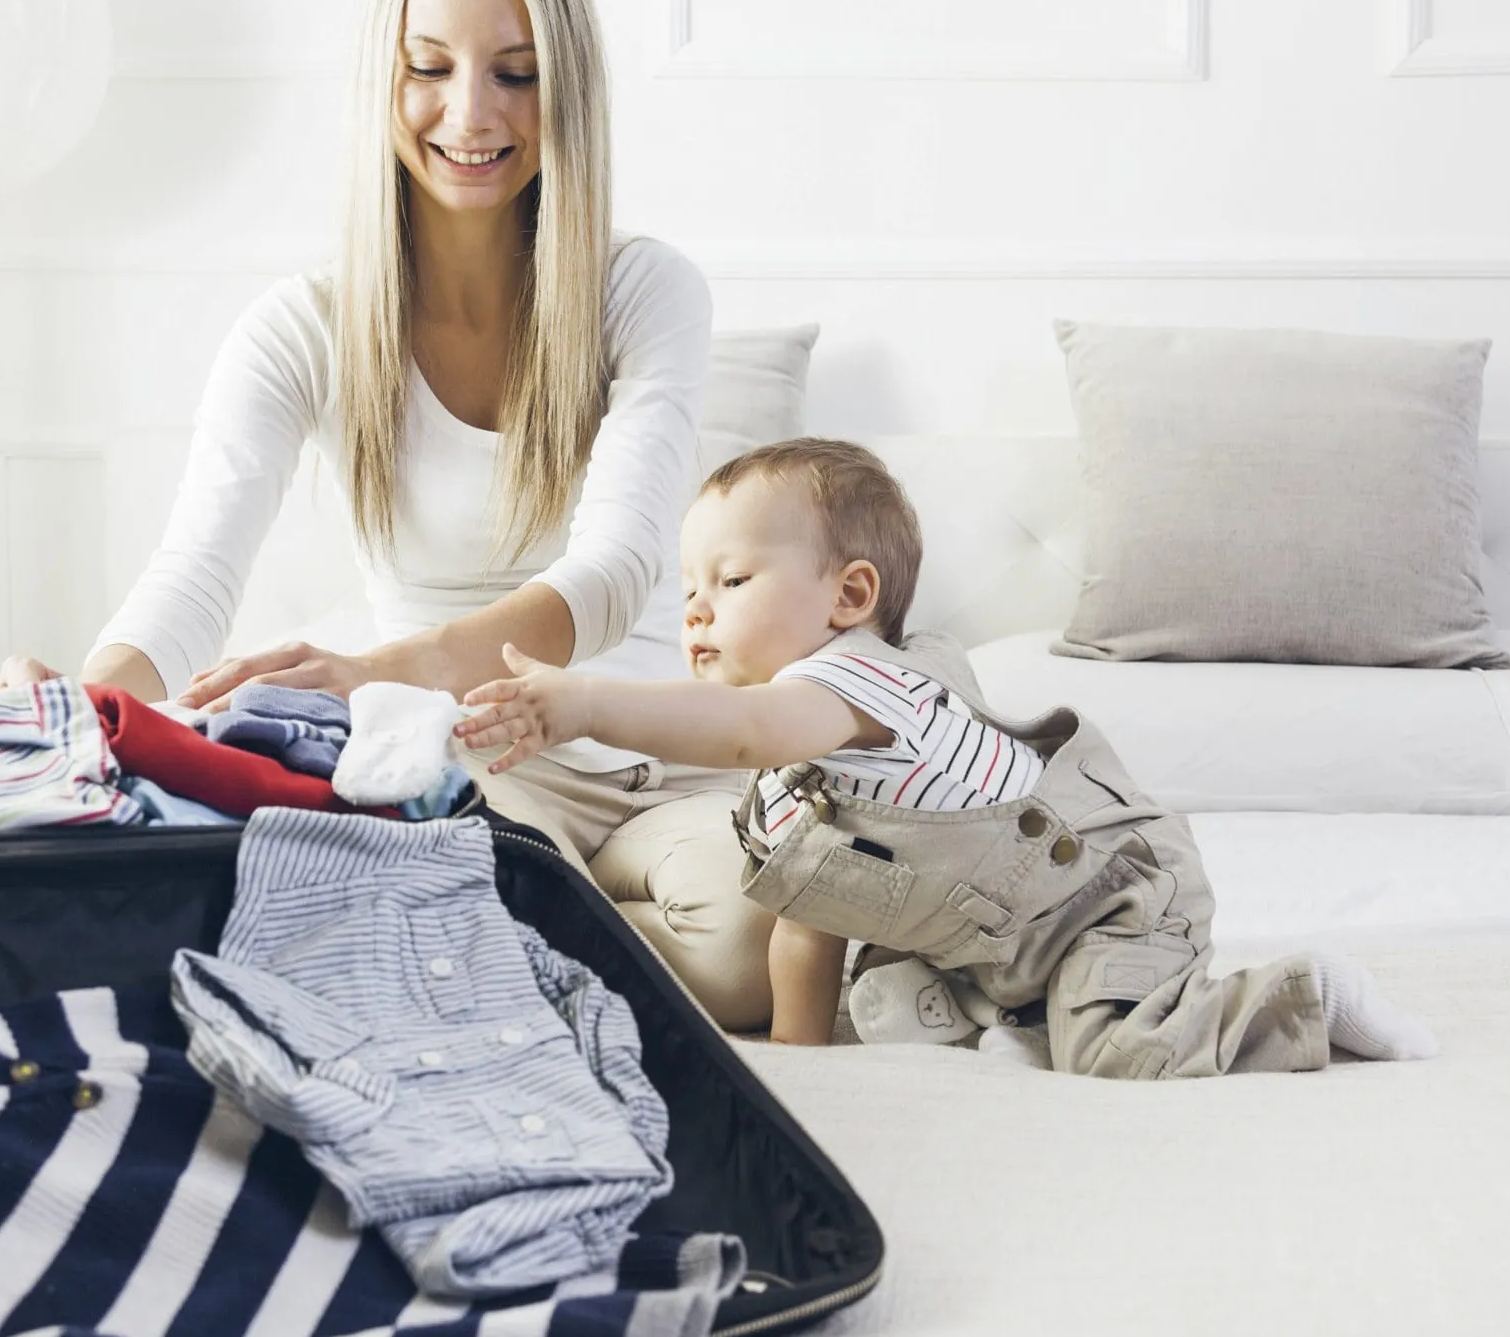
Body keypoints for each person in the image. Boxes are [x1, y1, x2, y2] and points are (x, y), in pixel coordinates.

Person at [0, 0, 776, 1028]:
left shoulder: (645, 293)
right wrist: (80, 711)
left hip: (661, 754)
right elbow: (195, 572)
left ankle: (542, 934)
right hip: (483, 764)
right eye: (430, 66)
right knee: (456, 916)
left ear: (568, 91)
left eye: (516, 70)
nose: (471, 112)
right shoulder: (301, 327)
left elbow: (618, 572)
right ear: (383, 81)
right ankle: (535, 926)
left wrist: (379, 670)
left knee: (753, 953)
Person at [455, 437, 1442, 1076]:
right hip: (988, 932)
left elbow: (745, 730)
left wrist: (585, 699)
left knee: (1121, 1052)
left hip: (1106, 892)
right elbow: (809, 916)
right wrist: (805, 1070)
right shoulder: (791, 782)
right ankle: (1017, 1021)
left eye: (734, 576)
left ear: (848, 596)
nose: (697, 607)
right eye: (688, 587)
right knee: (888, 1011)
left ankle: (1305, 995)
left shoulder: (864, 685)